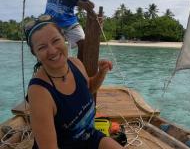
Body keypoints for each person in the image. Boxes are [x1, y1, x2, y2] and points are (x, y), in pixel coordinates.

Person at [24, 15, 123, 149]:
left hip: (91, 137)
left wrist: (101, 72)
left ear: (64, 37)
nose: (52, 51)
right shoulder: (39, 92)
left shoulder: (75, 64)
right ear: (34, 53)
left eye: (55, 40)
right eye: (42, 47)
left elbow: (88, 89)